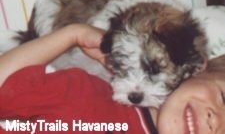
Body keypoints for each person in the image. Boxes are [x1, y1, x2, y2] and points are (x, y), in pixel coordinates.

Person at [0, 24, 225, 134]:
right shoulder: (87, 97)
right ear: (197, 68)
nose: (216, 120)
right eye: (223, 97)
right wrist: (72, 35)